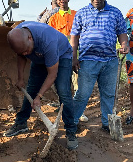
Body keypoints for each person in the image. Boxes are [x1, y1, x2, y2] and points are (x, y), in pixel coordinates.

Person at [5, 21, 78, 150]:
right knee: (31, 88)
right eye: (24, 52)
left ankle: (71, 131)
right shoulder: (18, 35)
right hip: (39, 58)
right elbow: (21, 55)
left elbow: (52, 74)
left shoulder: (47, 41)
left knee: (63, 91)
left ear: (30, 38)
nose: (26, 53)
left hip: (62, 56)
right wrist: (21, 78)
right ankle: (21, 123)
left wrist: (39, 96)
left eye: (27, 50)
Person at [70, 0, 129, 132]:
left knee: (108, 94)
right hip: (88, 61)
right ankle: (73, 122)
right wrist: (73, 57)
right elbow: (74, 37)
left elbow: (122, 32)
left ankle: (107, 123)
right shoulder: (81, 13)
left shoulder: (115, 12)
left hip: (110, 61)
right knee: (82, 94)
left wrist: (124, 45)